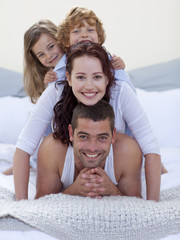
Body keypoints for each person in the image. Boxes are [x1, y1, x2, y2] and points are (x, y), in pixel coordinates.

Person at [14, 41, 162, 202]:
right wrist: (21, 203)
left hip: (115, 162)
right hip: (65, 165)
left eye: (97, 77)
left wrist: (152, 204)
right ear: (69, 78)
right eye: (81, 77)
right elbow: (24, 146)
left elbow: (150, 146)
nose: (89, 86)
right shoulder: (56, 92)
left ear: (107, 77)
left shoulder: (121, 92)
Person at [35, 100, 142, 199]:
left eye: (102, 138)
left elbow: (138, 207)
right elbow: (40, 205)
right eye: (84, 137)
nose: (92, 148)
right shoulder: (52, 149)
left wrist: (113, 191)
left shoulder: (128, 151)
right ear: (71, 133)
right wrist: (73, 191)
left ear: (113, 135)